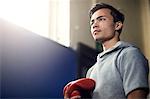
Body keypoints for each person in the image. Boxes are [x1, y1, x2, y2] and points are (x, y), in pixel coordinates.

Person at [64, 3, 149, 99]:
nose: (94, 25)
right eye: (92, 22)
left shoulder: (130, 54)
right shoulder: (91, 71)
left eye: (101, 19)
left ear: (117, 25)